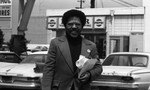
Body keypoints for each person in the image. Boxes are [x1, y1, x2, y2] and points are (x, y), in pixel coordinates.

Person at [42, 9, 103, 90]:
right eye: (70, 24)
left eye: (77, 24)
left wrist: (89, 75)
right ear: (65, 25)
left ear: (82, 26)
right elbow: (48, 69)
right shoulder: (55, 43)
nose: (74, 27)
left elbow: (98, 68)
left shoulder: (91, 46)